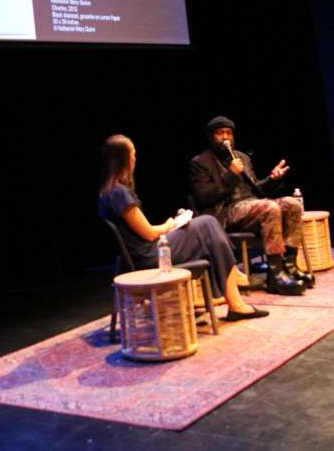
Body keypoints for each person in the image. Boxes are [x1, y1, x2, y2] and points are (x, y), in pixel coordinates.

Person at [99, 134, 269, 322]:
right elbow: (148, 234)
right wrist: (170, 224)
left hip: (146, 251)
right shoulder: (119, 193)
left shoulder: (108, 193)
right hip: (149, 256)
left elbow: (141, 231)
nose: (135, 159)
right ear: (124, 159)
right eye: (133, 154)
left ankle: (233, 286)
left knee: (205, 227)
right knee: (207, 223)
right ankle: (235, 291)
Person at [189, 115, 314, 296]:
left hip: (252, 206)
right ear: (210, 137)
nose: (225, 137)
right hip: (225, 213)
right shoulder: (200, 162)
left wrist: (272, 179)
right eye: (220, 133)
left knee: (291, 204)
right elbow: (203, 198)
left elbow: (256, 190)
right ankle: (275, 274)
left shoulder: (242, 158)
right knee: (269, 208)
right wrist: (230, 174)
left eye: (229, 133)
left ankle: (290, 265)